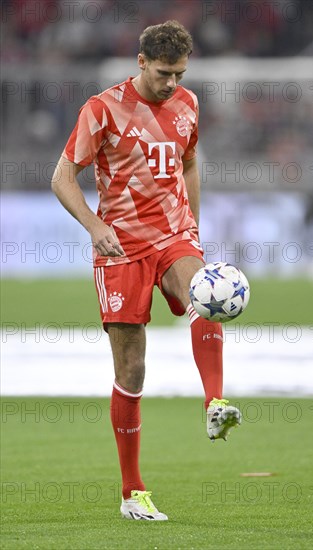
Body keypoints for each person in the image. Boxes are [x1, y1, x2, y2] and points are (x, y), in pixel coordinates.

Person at [51, 20, 241, 521]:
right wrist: (94, 226)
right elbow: (62, 176)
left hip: (173, 235)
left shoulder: (188, 105)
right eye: (163, 73)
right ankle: (132, 493)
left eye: (179, 73)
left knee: (207, 293)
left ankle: (213, 402)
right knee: (132, 369)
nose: (172, 84)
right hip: (121, 249)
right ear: (140, 62)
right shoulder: (102, 109)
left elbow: (190, 162)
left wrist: (194, 230)